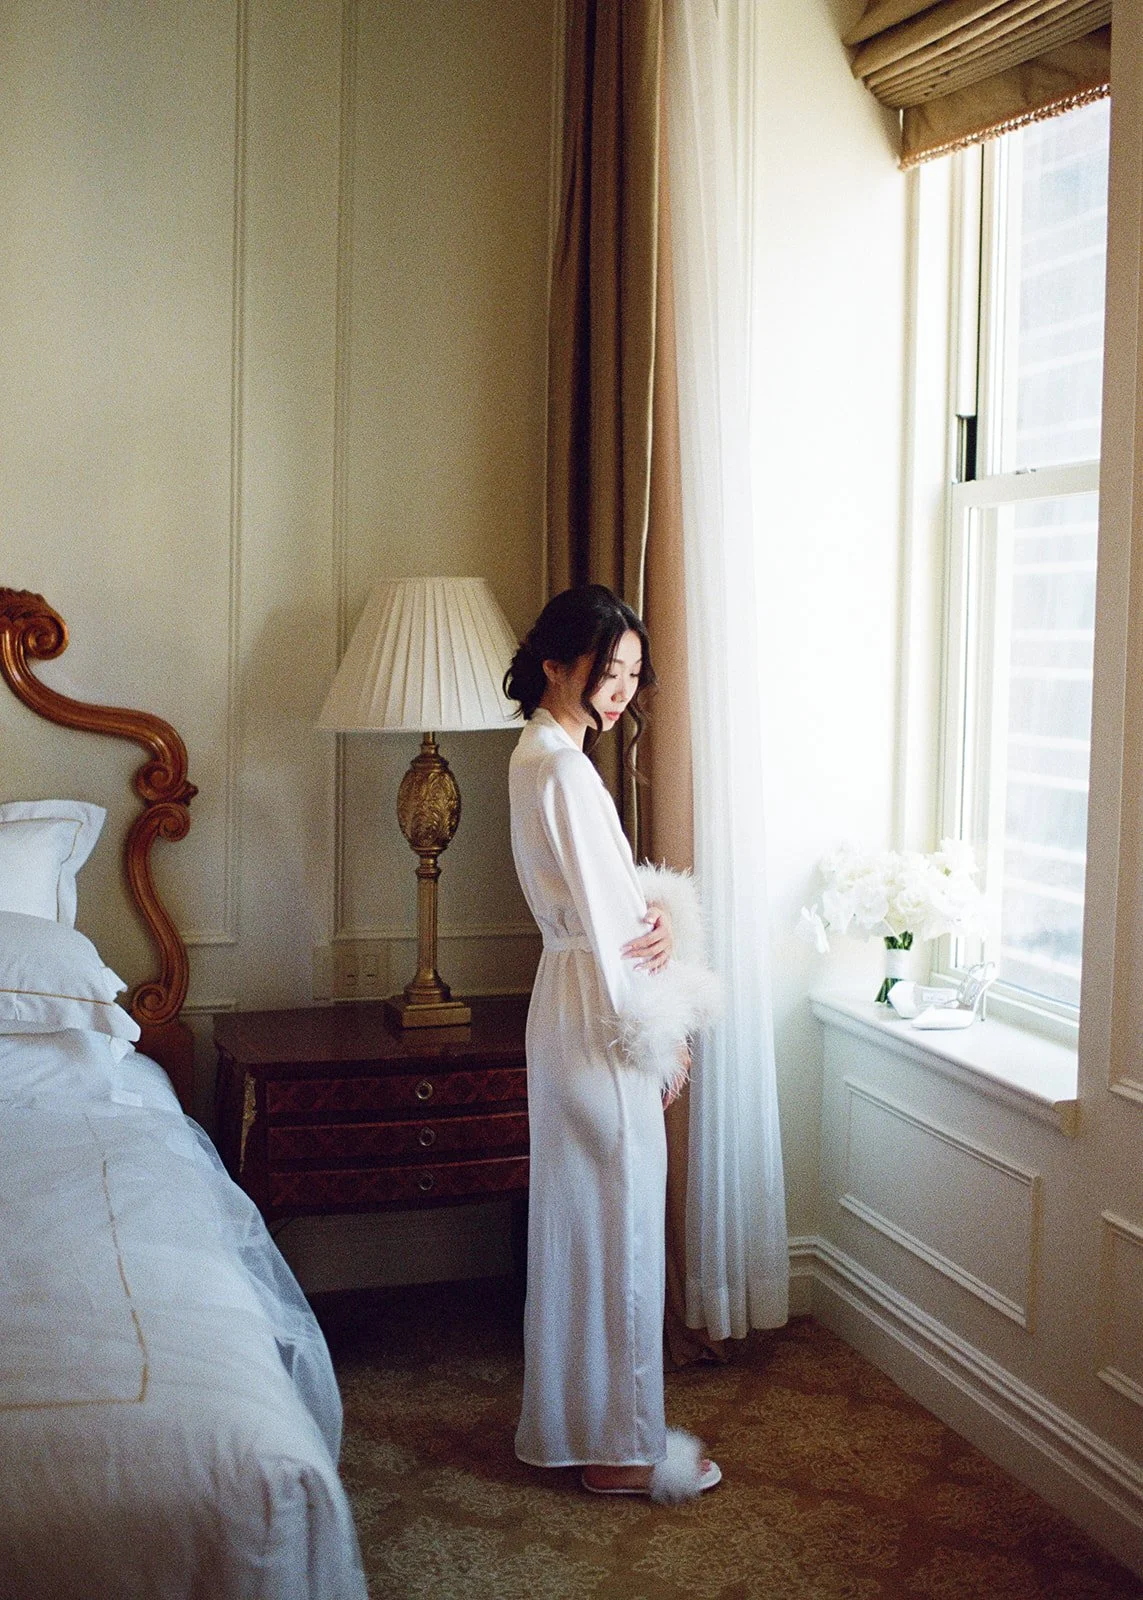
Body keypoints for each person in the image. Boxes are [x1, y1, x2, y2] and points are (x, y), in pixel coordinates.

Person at [503, 584, 722, 1502]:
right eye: (607, 669)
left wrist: (653, 914)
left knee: (582, 1226)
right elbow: (611, 922)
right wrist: (664, 1038)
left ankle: (583, 1431)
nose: (621, 688)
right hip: (600, 1006)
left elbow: (609, 900)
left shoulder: (536, 755)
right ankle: (621, 1452)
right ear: (556, 664)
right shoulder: (563, 771)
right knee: (620, 1226)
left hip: (569, 998)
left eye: (633, 671)